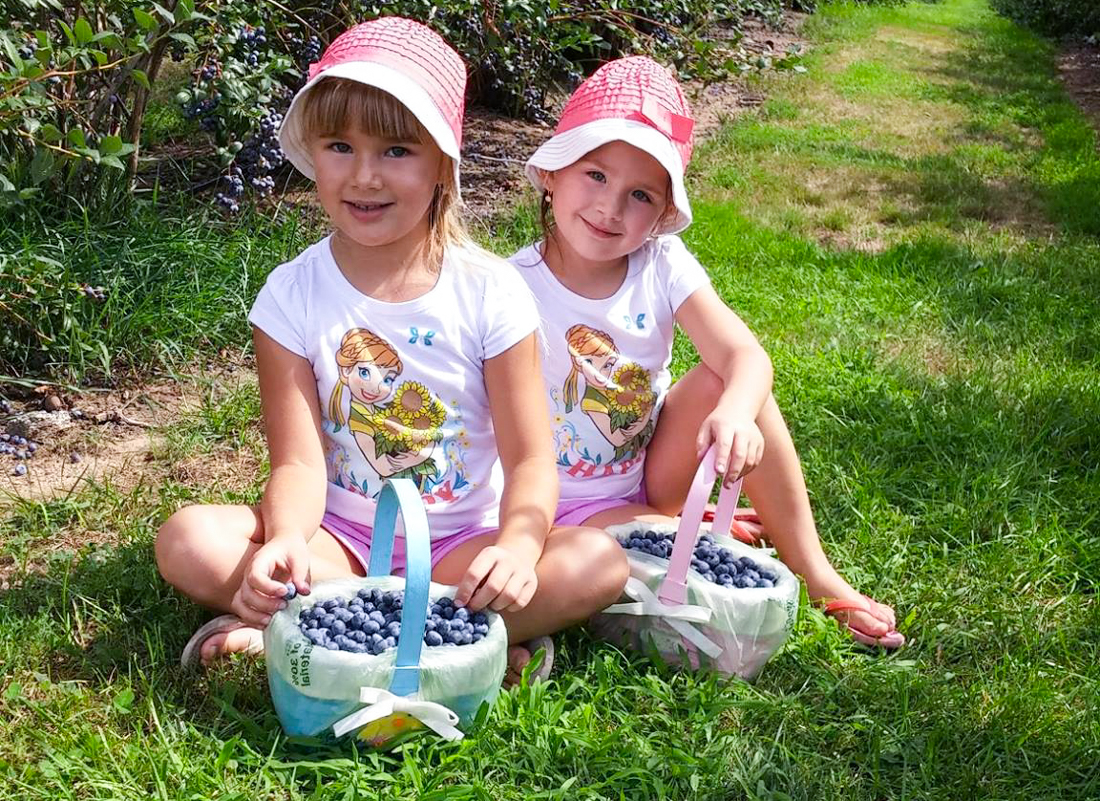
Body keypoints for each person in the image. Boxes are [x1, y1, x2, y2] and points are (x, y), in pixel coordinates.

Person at [155, 17, 629, 683]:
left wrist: (520, 546)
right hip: (340, 546)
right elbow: (297, 462)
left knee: (599, 563)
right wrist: (289, 540)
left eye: (397, 151)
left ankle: (313, 633)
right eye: (340, 145)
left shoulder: (491, 292)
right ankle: (457, 643)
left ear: (442, 163)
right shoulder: (291, 295)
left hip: (466, 548)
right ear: (312, 152)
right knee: (187, 539)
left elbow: (530, 461)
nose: (365, 176)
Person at [508, 56, 904, 649]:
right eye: (594, 176)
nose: (610, 208)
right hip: (553, 506)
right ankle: (665, 537)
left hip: (646, 473)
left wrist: (737, 412)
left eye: (639, 194)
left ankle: (814, 569)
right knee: (629, 562)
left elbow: (747, 355)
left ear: (664, 213)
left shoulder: (661, 267)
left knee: (730, 383)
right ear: (552, 174)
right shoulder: (507, 285)